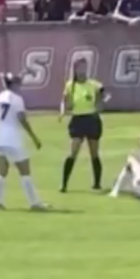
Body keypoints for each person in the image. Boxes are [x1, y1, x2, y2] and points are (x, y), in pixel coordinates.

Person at [0, 72, 47, 211]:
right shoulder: (17, 99)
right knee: (25, 171)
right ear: (14, 84)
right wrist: (34, 137)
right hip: (12, 139)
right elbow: (22, 119)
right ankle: (34, 203)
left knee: (1, 171)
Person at [59, 58, 106, 193]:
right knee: (73, 151)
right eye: (79, 68)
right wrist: (63, 111)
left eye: (84, 68)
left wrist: (99, 103)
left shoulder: (94, 85)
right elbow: (65, 101)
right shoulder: (70, 85)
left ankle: (97, 183)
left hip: (92, 119)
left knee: (94, 152)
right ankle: (64, 184)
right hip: (78, 120)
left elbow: (101, 97)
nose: (82, 71)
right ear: (75, 70)